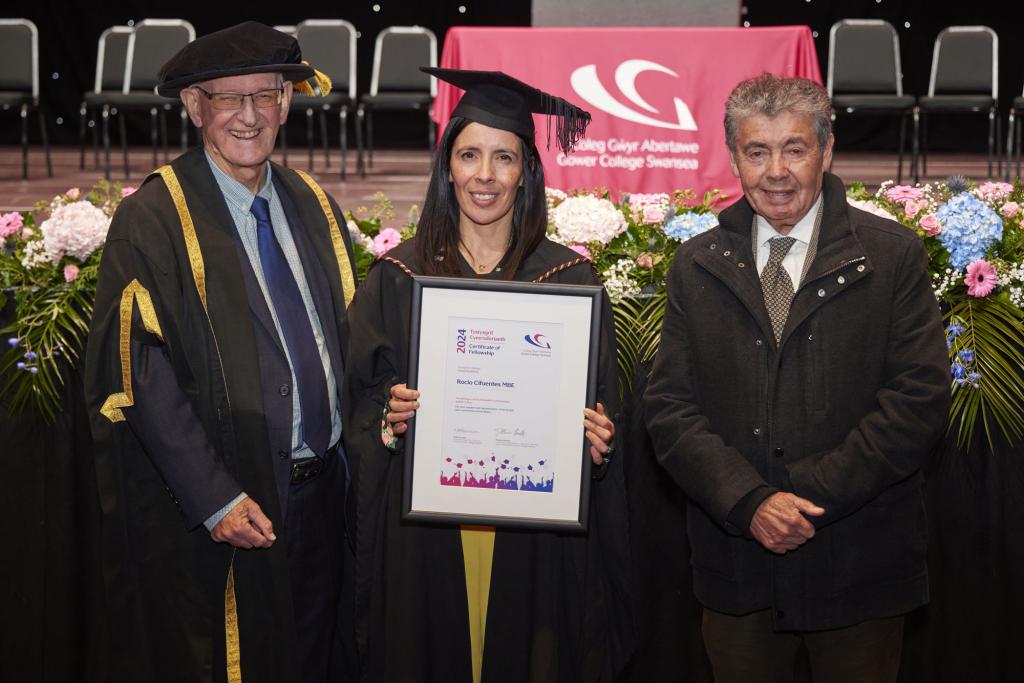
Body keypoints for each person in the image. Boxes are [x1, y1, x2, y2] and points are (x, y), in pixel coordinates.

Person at [643, 73, 950, 682]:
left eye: (795, 148)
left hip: (859, 568)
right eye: (757, 152)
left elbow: (918, 401)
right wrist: (751, 502)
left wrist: (805, 497)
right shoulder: (696, 264)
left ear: (826, 151)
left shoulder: (891, 256)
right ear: (734, 158)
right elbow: (669, 407)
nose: (776, 171)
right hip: (739, 570)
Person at [84, 22, 358, 683]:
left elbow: (350, 339)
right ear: (194, 106)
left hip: (325, 498)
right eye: (229, 98)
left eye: (265, 95)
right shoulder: (154, 218)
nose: (248, 115)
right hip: (236, 507)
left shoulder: (313, 203)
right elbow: (139, 371)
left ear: (286, 102)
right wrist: (215, 497)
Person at [344, 68, 634, 683]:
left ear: (526, 171)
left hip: (535, 533)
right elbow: (358, 401)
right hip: (424, 531)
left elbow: (604, 406)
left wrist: (599, 438)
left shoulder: (568, 281)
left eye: (504, 158)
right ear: (447, 167)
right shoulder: (397, 276)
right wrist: (389, 421)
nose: (485, 175)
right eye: (469, 155)